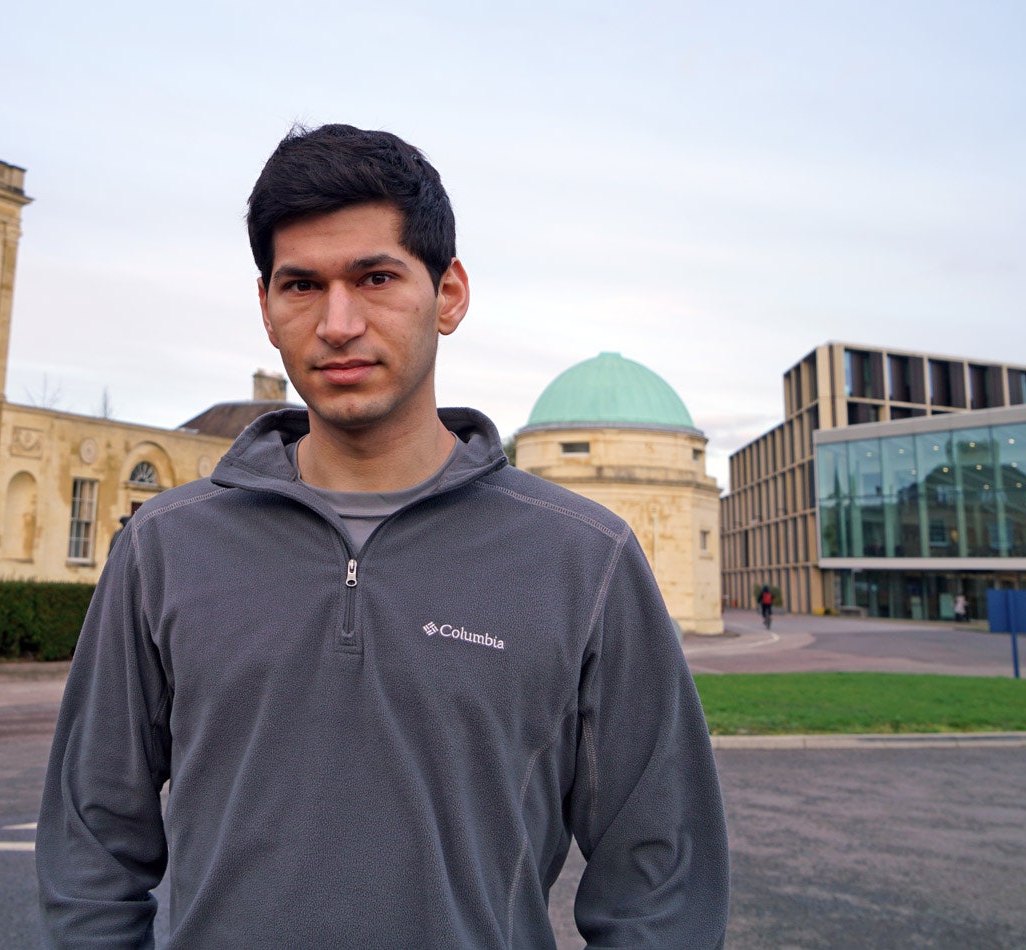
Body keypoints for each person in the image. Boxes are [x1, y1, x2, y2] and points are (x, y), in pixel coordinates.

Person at [36, 124, 729, 948]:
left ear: (449, 294)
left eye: (375, 278)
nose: (337, 323)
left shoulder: (584, 558)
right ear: (266, 307)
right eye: (301, 285)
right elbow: (92, 846)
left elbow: (661, 881)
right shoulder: (165, 547)